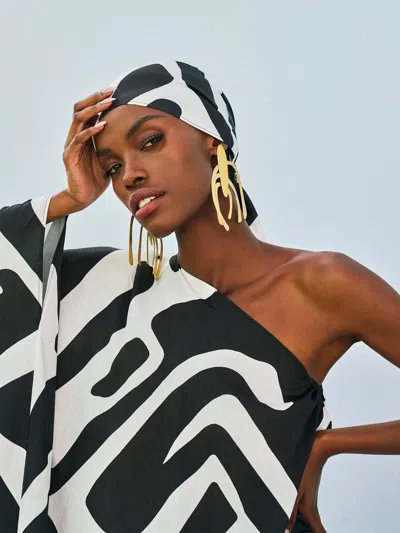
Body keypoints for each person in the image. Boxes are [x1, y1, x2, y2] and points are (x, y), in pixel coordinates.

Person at [0, 61, 398, 533]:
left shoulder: (319, 284)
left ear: (212, 139)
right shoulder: (105, 289)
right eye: (112, 167)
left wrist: (325, 446)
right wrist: (68, 201)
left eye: (150, 141)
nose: (129, 176)